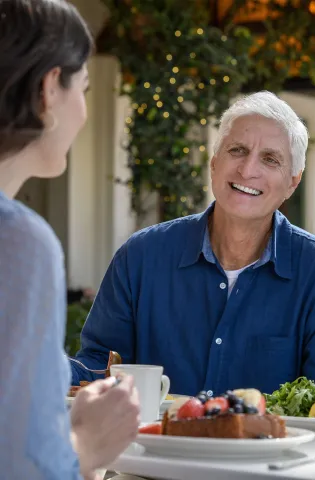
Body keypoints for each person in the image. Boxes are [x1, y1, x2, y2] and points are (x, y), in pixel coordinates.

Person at [71, 91, 315, 397]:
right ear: (214, 163)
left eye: (270, 159)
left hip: (270, 445)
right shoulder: (141, 256)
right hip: (155, 444)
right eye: (238, 150)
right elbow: (99, 367)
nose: (248, 170)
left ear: (293, 182)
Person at [0, 1, 140, 479]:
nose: (84, 110)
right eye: (82, 88)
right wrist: (86, 446)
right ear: (47, 91)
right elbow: (23, 467)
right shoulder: (18, 241)